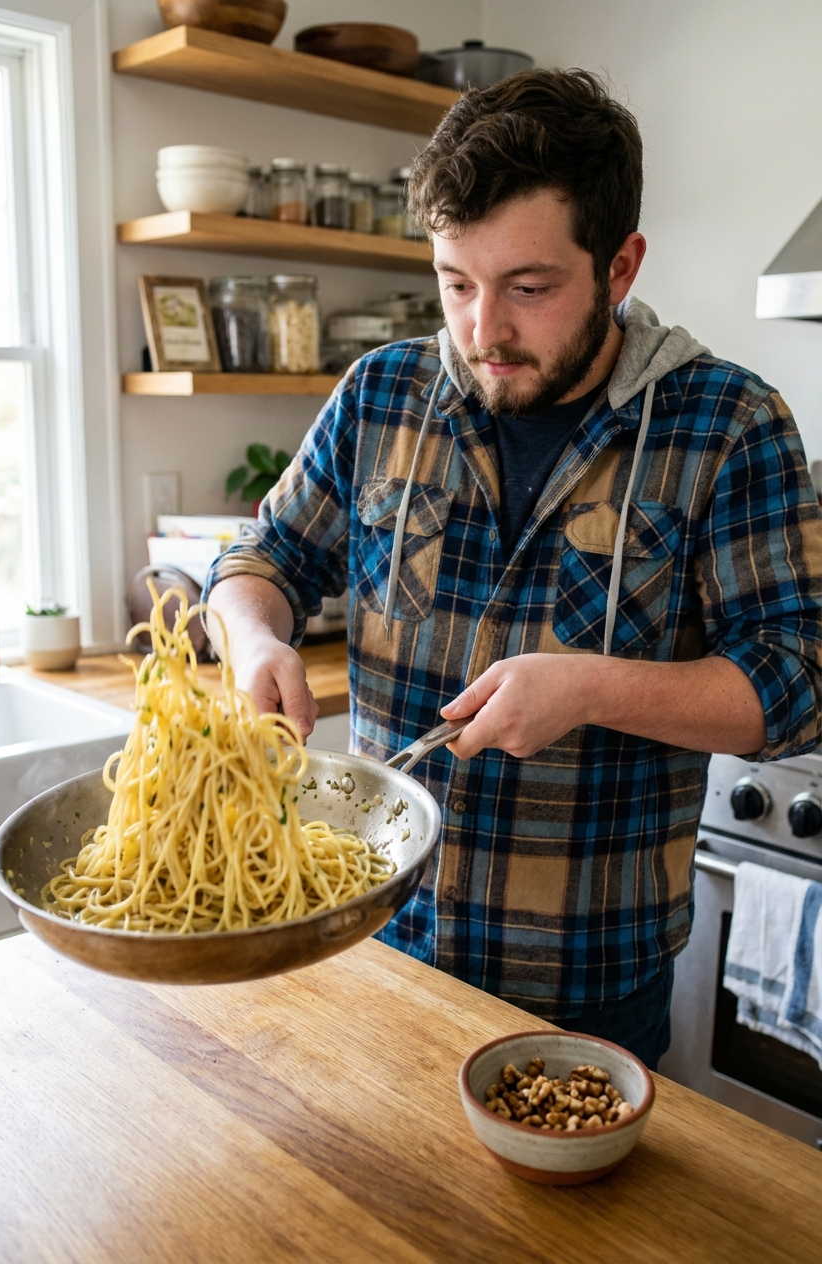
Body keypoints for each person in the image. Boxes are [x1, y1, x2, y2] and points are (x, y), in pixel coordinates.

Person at [205, 69, 821, 1069]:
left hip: (585, 991)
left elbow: (798, 680)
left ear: (618, 267)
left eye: (527, 288)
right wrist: (255, 638)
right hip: (373, 937)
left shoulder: (726, 426)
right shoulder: (381, 395)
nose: (481, 330)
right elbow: (259, 559)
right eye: (454, 283)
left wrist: (588, 689)